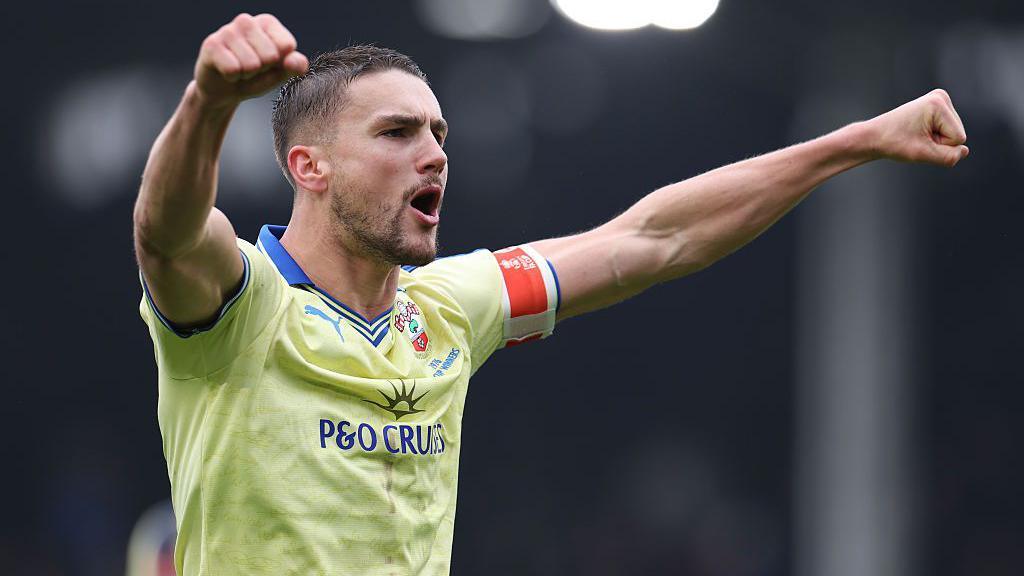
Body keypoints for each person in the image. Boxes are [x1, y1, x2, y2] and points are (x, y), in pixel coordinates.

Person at [134, 12, 968, 576]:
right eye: (396, 133)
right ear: (307, 168)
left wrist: (855, 142)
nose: (433, 154)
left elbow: (654, 239)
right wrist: (207, 104)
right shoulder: (244, 307)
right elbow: (166, 232)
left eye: (438, 133)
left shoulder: (447, 309)